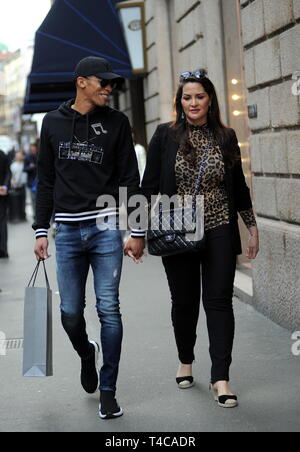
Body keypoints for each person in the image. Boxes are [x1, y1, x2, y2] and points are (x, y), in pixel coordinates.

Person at [33, 56, 145, 419]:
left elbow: (130, 177)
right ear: (82, 82)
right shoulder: (52, 122)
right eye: (103, 82)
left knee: (109, 308)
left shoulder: (117, 122)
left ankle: (108, 391)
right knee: (69, 314)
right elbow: (46, 180)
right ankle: (86, 352)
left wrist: (137, 229)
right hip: (65, 232)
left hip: (106, 228)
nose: (109, 88)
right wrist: (40, 229)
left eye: (112, 83)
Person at [141, 69, 259, 408]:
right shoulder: (165, 135)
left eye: (200, 96)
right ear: (180, 101)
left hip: (220, 225)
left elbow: (238, 185)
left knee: (219, 301)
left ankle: (221, 378)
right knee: (185, 301)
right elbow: (149, 186)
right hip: (178, 227)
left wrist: (251, 227)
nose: (193, 102)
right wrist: (137, 232)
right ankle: (185, 359)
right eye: (187, 97)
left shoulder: (225, 136)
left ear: (210, 100)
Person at [9, 151, 27, 222]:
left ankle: (23, 216)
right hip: (15, 186)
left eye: (20, 155)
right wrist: (12, 183)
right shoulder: (13, 165)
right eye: (17, 155)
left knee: (23, 200)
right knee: (16, 202)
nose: (19, 157)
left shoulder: (24, 164)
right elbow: (11, 175)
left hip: (23, 185)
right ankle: (16, 216)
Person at [0, 150, 11, 258]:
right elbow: (8, 172)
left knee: (2, 221)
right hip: (2, 193)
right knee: (2, 221)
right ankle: (3, 249)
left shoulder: (2, 154)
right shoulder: (2, 153)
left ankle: (3, 249)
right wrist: (4, 186)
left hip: (2, 194)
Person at [24, 142, 38, 219]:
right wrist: (31, 167)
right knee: (33, 199)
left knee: (39, 199)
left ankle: (39, 214)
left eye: (34, 148)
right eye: (32, 148)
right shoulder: (28, 157)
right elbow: (24, 169)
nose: (33, 149)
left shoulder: (39, 155)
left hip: (40, 181)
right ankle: (35, 214)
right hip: (31, 182)